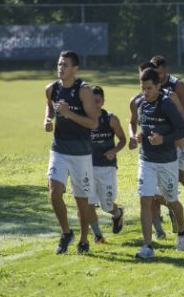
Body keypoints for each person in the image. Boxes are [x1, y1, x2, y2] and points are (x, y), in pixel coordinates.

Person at [43, 51, 100, 254]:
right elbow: (49, 107)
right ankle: (66, 232)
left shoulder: (84, 91)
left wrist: (68, 114)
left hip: (81, 154)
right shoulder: (52, 89)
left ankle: (84, 238)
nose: (61, 68)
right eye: (59, 64)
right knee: (54, 192)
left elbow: (93, 123)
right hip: (59, 149)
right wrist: (48, 119)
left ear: (75, 69)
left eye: (65, 65)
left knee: (81, 200)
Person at [131, 67, 184, 258]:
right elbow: (146, 127)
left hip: (167, 161)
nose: (145, 92)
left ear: (158, 86)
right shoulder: (141, 103)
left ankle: (182, 231)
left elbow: (182, 131)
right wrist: (140, 136)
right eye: (142, 88)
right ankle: (147, 246)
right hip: (146, 160)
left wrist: (163, 139)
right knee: (145, 199)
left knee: (171, 200)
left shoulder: (166, 104)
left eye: (149, 88)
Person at [150, 56, 184, 217]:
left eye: (159, 72)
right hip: (161, 141)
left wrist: (175, 135)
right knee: (160, 177)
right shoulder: (150, 85)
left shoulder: (177, 85)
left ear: (165, 70)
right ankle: (169, 213)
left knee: (179, 175)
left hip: (178, 138)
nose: (156, 76)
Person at [86, 86, 126, 243]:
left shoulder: (111, 119)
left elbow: (123, 140)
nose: (95, 105)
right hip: (88, 168)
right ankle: (98, 235)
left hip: (107, 168)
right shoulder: (83, 121)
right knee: (88, 203)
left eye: (98, 101)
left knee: (106, 205)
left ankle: (117, 214)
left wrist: (114, 151)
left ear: (103, 101)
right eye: (92, 101)